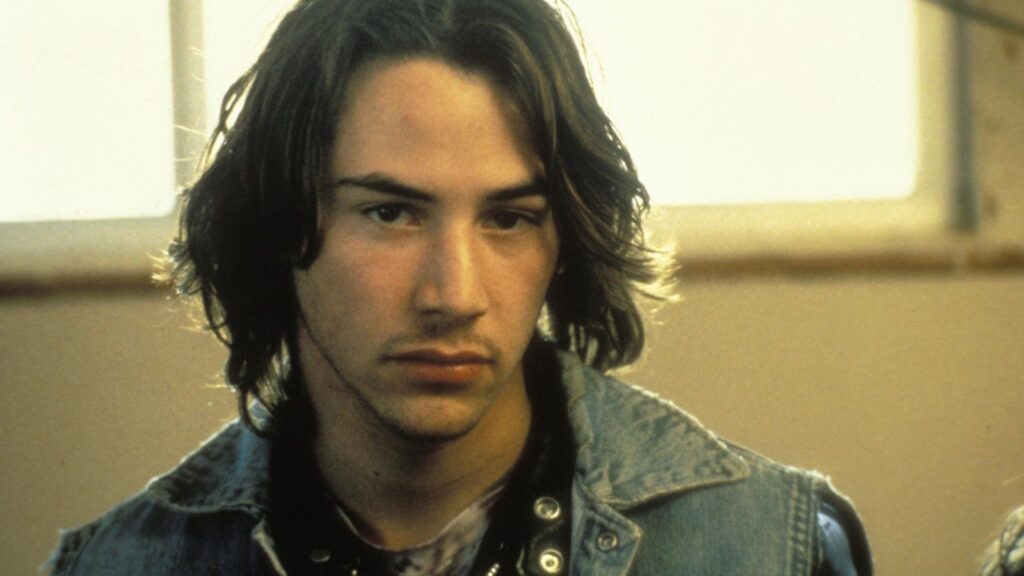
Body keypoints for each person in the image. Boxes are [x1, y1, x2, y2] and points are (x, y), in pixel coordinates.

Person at [46, 0, 872, 574]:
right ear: (277, 225)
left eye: (508, 219)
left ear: (563, 242)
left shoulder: (776, 548)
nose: (453, 292)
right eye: (392, 214)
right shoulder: (118, 564)